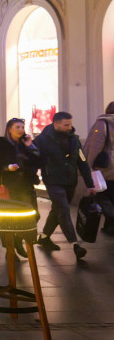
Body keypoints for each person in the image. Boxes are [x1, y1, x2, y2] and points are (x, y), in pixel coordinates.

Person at [33, 112, 96, 260]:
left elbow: (83, 162)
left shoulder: (74, 140)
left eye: (70, 124)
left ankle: (44, 238)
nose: (69, 127)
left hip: (70, 181)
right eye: (66, 125)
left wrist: (90, 184)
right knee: (63, 209)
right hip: (53, 180)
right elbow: (32, 158)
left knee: (58, 209)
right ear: (56, 124)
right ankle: (75, 244)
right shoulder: (42, 140)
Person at [0, 118, 41, 258]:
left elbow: (39, 161)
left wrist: (31, 147)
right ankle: (10, 249)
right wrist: (6, 168)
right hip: (8, 186)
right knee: (7, 219)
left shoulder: (25, 144)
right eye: (17, 127)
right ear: (9, 129)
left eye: (22, 127)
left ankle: (17, 241)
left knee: (32, 216)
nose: (21, 130)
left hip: (26, 185)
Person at [82, 102, 114, 235]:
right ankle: (109, 226)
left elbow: (95, 147)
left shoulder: (103, 124)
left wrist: (87, 166)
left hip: (105, 168)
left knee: (101, 195)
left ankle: (111, 221)